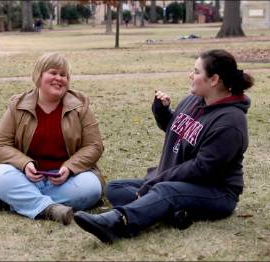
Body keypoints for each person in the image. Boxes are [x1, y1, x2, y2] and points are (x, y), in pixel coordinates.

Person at [74, 49, 254, 243]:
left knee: (164, 191)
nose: (190, 76)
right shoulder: (194, 100)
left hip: (215, 192)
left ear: (214, 80)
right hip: (178, 181)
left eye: (196, 71)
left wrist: (158, 181)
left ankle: (118, 223)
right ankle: (174, 211)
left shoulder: (231, 122)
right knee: (115, 188)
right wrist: (162, 112)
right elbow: (176, 130)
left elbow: (202, 169)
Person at [0, 52, 104, 225]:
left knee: (92, 187)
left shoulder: (80, 105)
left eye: (63, 75)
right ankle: (49, 209)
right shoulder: (18, 105)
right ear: (38, 75)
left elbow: (94, 145)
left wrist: (69, 168)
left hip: (67, 181)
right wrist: (25, 164)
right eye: (53, 73)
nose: (59, 78)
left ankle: (14, 200)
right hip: (25, 177)